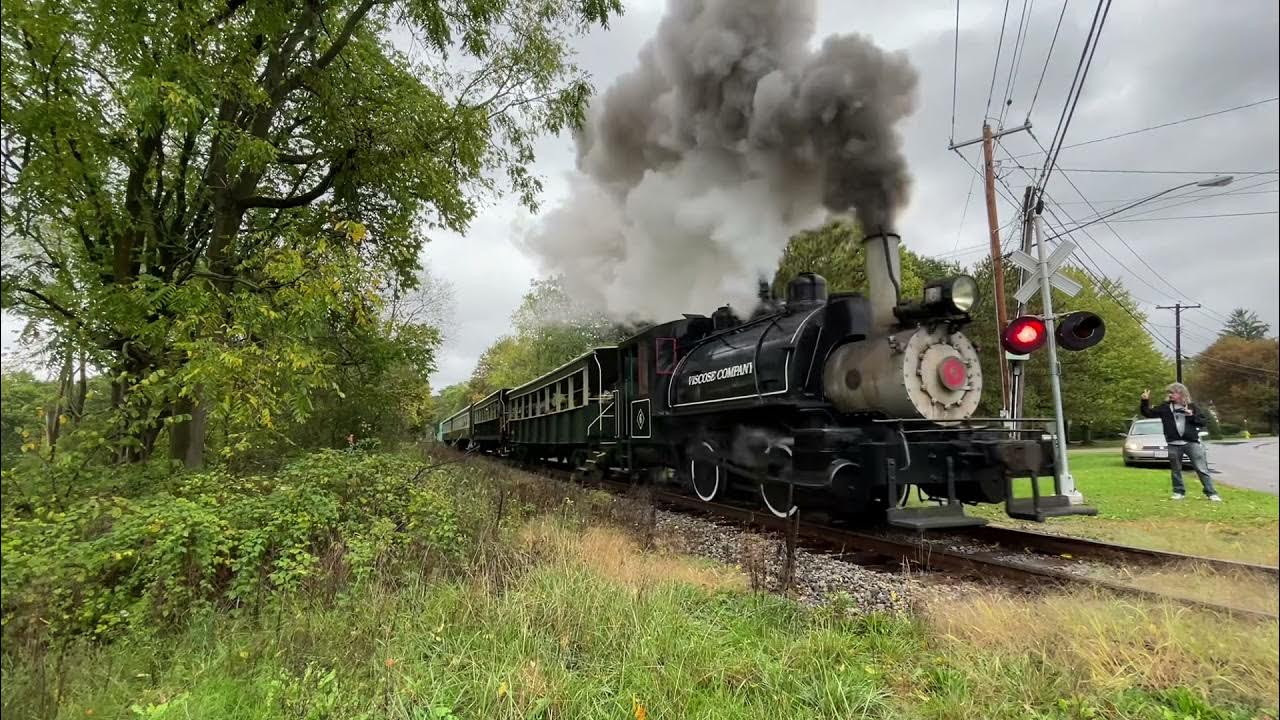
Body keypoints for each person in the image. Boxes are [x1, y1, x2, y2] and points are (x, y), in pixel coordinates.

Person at [1139, 383, 1221, 501]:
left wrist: (1191, 415)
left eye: (1172, 392)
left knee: (1201, 468)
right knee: (1176, 469)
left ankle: (1211, 493)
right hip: (1173, 443)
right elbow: (1148, 413)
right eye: (1169, 393)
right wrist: (1144, 401)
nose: (1170, 395)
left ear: (1181, 393)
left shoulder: (1192, 406)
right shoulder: (1165, 407)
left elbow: (1202, 422)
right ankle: (1179, 492)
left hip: (1191, 443)